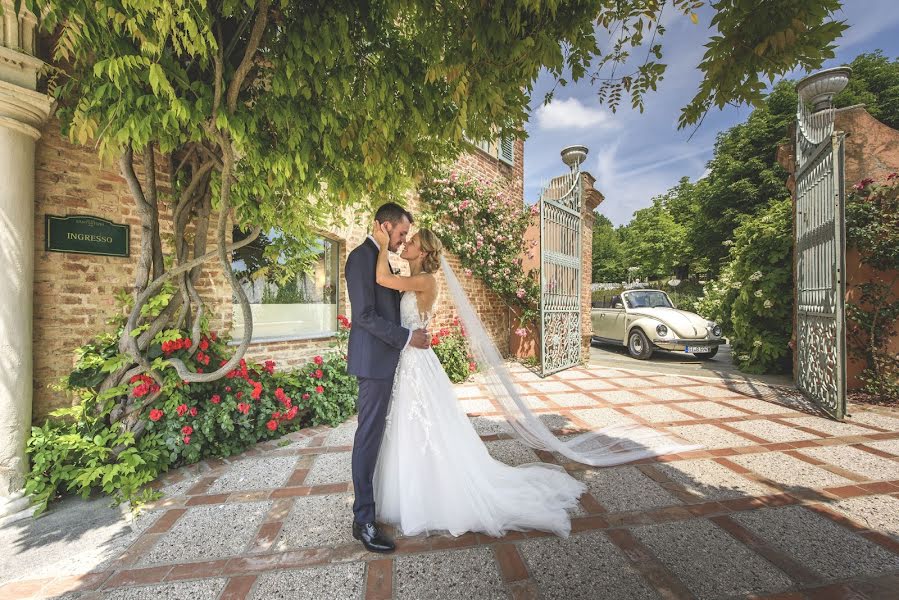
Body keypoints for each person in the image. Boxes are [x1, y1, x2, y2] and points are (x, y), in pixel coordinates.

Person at [369, 221, 586, 538]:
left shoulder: (425, 281)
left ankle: (434, 494)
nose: (408, 243)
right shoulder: (413, 279)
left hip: (417, 365)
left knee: (425, 425)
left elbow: (381, 278)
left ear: (424, 250)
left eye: (412, 241)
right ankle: (413, 489)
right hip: (409, 361)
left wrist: (383, 243)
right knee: (411, 425)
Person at [343, 202, 430, 553]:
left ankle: (379, 503)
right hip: (374, 364)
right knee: (368, 437)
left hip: (391, 363)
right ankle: (362, 519)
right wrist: (407, 338)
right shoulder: (360, 258)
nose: (402, 240)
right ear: (383, 226)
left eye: (406, 235)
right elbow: (363, 315)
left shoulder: (380, 258)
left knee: (381, 437)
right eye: (401, 233)